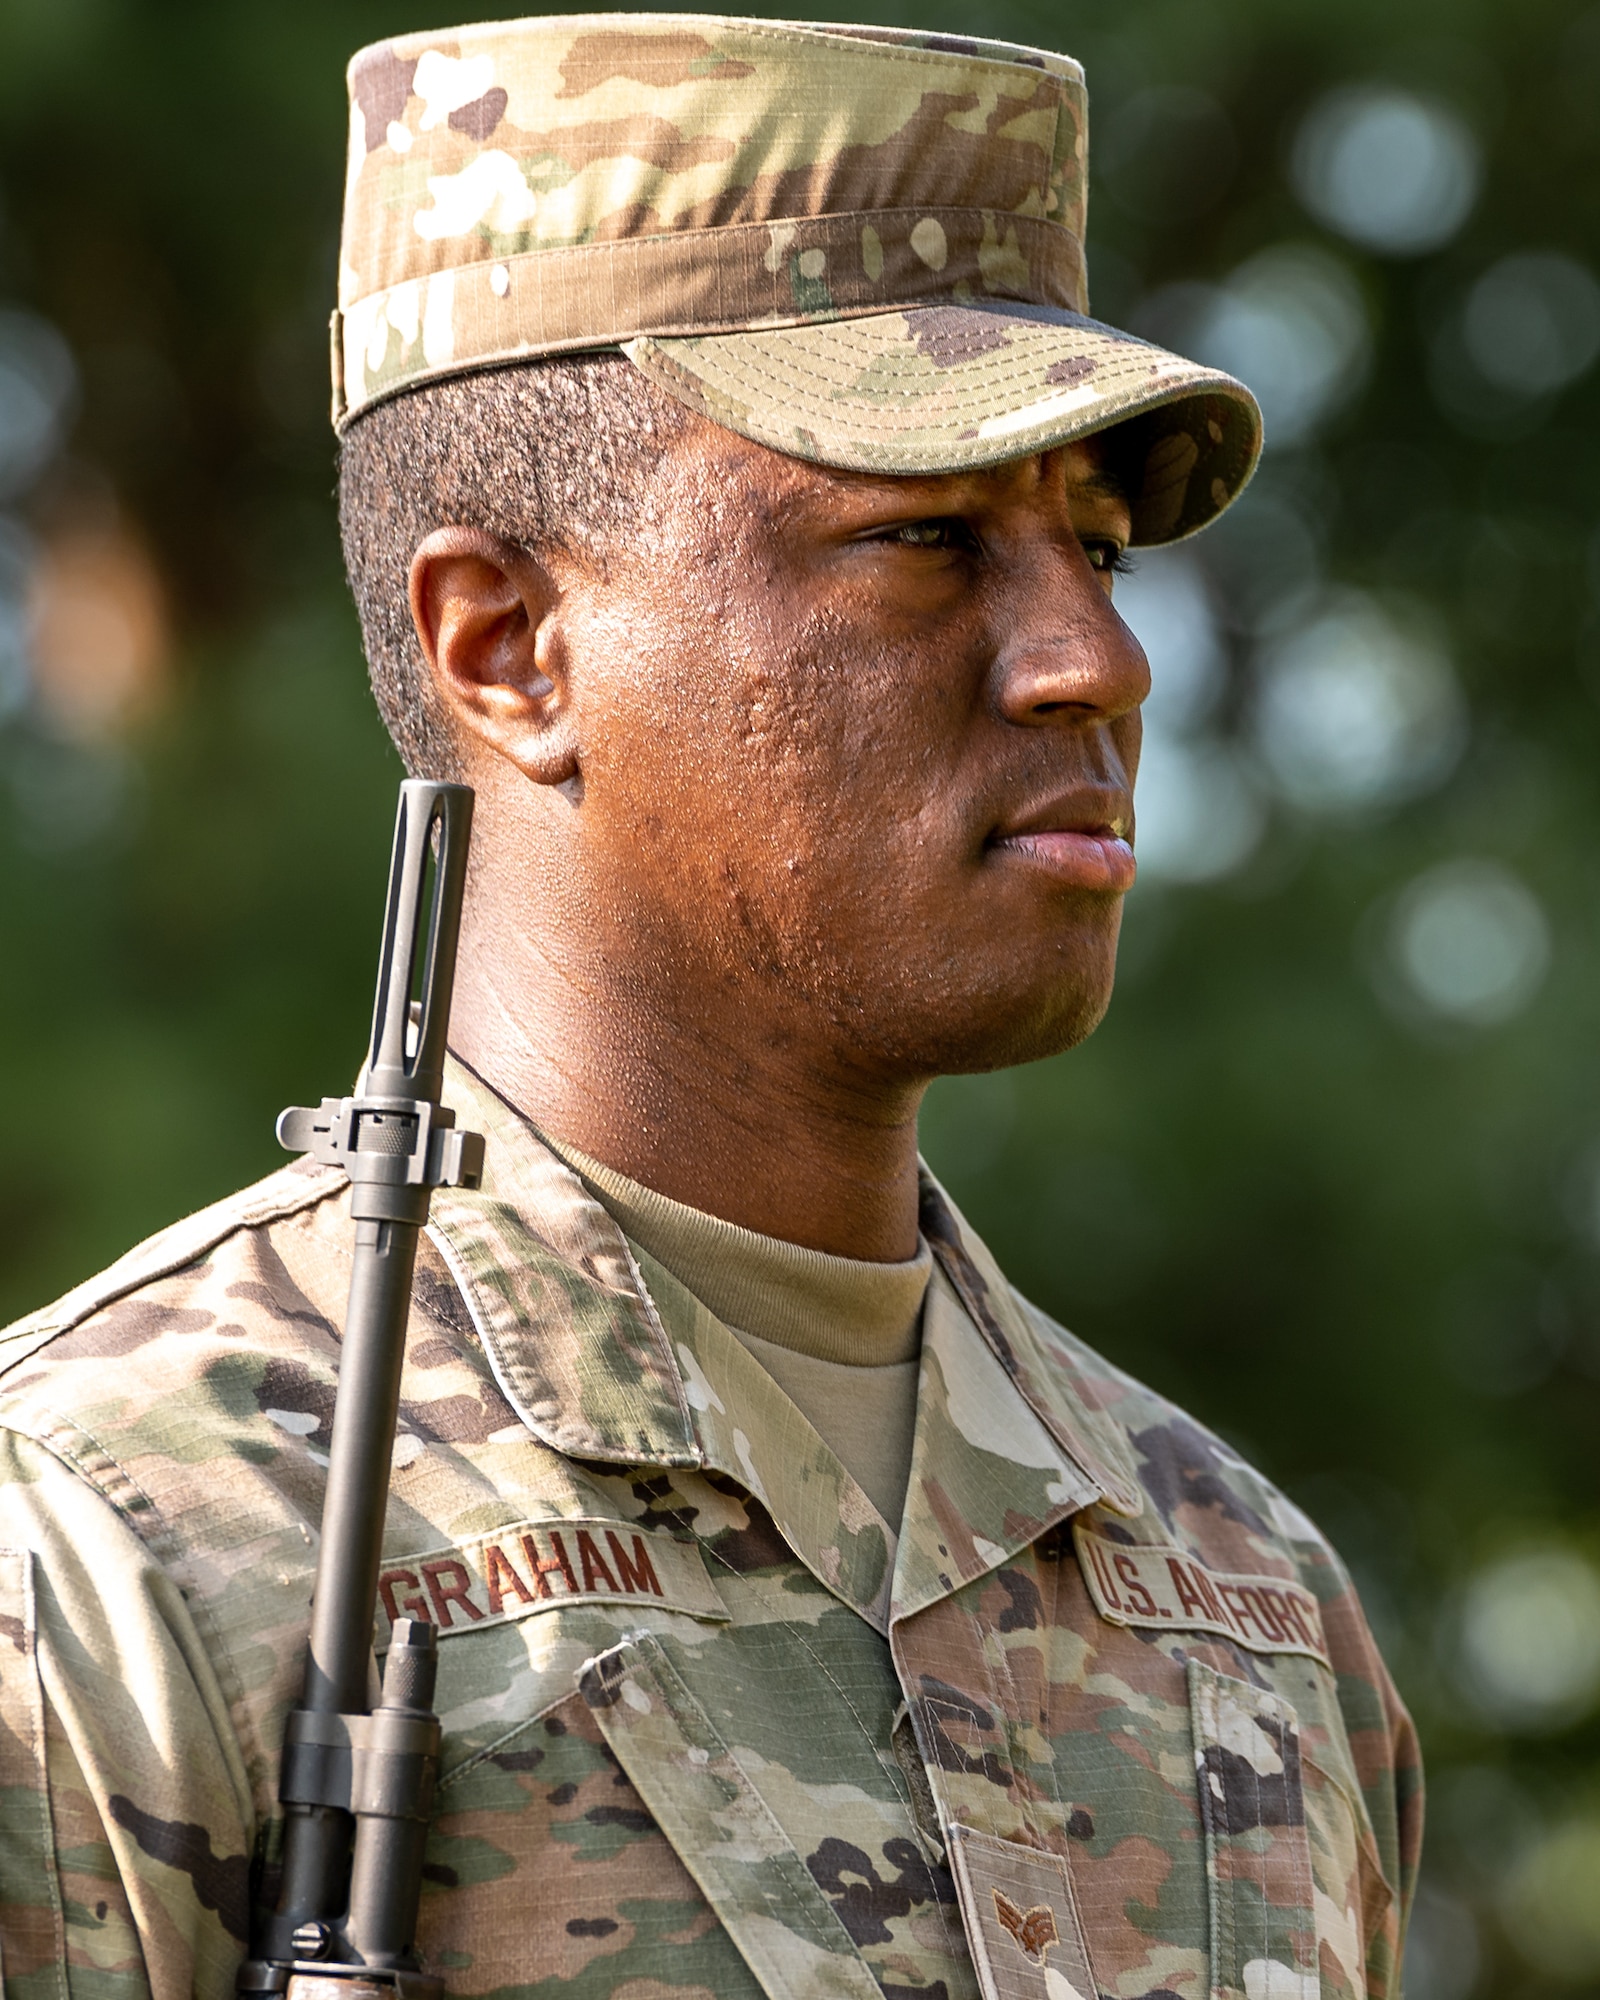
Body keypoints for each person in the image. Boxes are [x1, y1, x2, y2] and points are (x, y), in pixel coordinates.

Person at [0, 18, 1420, 2000]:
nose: (1098, 659)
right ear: (505, 647)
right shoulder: (115, 1556)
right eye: (920, 539)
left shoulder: (1239, 1605)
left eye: (1089, 546)